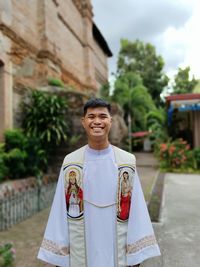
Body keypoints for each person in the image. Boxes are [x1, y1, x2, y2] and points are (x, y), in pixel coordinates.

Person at [37, 98, 161, 267]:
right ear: (83, 122)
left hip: (116, 253)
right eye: (91, 116)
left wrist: (135, 257)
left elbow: (137, 208)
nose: (97, 121)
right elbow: (60, 208)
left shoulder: (126, 162)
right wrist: (61, 257)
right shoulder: (71, 162)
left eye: (103, 116)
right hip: (82, 252)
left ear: (110, 120)